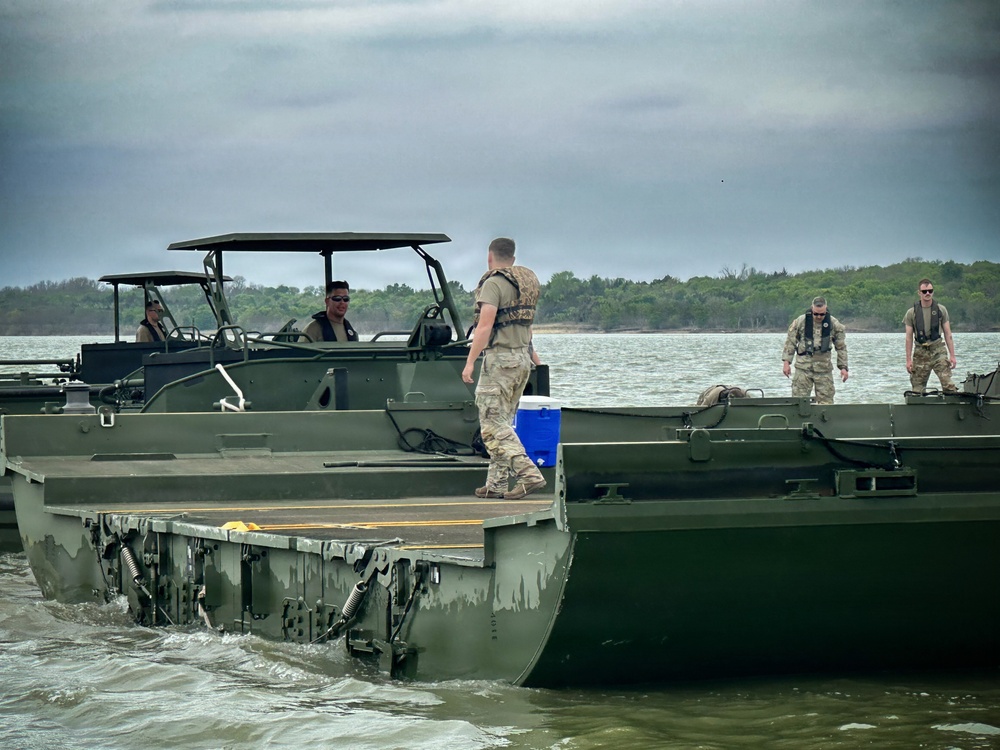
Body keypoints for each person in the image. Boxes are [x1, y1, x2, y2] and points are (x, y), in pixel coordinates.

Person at [462, 237, 546, 500]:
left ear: (490, 256)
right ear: (513, 257)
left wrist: (470, 361)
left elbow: (484, 327)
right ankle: (496, 484)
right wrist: (534, 357)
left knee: (491, 424)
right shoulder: (523, 284)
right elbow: (526, 325)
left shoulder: (494, 284)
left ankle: (528, 474)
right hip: (521, 359)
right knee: (503, 422)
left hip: (500, 360)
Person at [781, 296, 848, 404]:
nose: (818, 317)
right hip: (803, 367)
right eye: (816, 314)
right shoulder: (800, 321)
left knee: (826, 403)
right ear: (812, 309)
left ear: (826, 310)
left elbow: (841, 348)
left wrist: (843, 368)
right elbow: (790, 342)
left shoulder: (834, 324)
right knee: (799, 402)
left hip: (824, 369)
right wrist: (786, 362)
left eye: (822, 314)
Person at [904, 278, 957, 393]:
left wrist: (952, 355)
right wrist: (908, 360)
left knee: (948, 384)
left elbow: (948, 334)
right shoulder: (911, 313)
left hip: (938, 349)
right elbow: (908, 338)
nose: (927, 293)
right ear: (919, 293)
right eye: (924, 291)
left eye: (930, 291)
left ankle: (952, 407)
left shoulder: (941, 310)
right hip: (920, 351)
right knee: (917, 389)